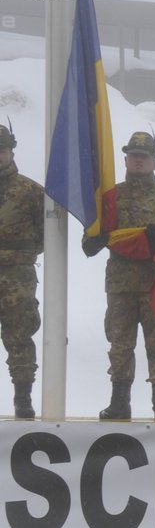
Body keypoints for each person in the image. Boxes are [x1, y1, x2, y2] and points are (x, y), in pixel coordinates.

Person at [82, 131, 155, 422]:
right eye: (134, 156)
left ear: (154, 162)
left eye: (144, 157)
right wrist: (94, 240)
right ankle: (119, 402)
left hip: (154, 283)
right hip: (120, 283)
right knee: (120, 344)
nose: (138, 161)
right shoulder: (110, 198)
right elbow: (92, 236)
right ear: (125, 159)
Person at [0, 123, 44, 419]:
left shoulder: (30, 191)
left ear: (11, 151)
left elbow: (47, 235)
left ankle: (23, 399)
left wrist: (17, 255)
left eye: (1, 150)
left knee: (19, 337)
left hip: (17, 278)